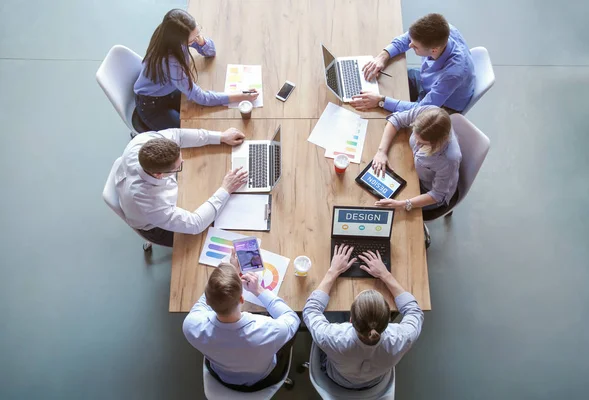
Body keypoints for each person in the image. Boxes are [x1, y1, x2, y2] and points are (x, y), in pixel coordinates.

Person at [303, 245, 424, 390]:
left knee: (329, 312)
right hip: (376, 382)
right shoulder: (403, 337)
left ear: (350, 320)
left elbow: (310, 310)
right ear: (388, 321)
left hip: (337, 378)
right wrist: (385, 275)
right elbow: (414, 311)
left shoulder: (331, 337)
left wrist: (333, 271)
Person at [183, 250, 300, 392]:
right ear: (242, 299)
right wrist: (258, 290)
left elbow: (206, 299)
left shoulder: (191, 325)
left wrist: (224, 276)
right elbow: (292, 318)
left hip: (222, 375)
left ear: (208, 301)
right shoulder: (268, 329)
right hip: (262, 379)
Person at [115, 127, 248, 247]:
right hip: (155, 227)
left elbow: (179, 135)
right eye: (179, 167)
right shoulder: (151, 202)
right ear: (159, 174)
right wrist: (225, 189)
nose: (183, 161)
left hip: (158, 197)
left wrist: (220, 136)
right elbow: (196, 224)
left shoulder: (144, 141)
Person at [134, 9, 258, 131]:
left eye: (198, 32)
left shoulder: (171, 35)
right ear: (180, 40)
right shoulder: (172, 62)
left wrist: (200, 40)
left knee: (203, 112)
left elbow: (211, 52)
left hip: (168, 90)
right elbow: (201, 97)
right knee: (188, 131)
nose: (196, 39)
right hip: (152, 106)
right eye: (192, 40)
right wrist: (240, 96)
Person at [351, 13, 475, 114]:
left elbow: (422, 109)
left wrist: (381, 101)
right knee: (390, 79)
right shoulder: (443, 29)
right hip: (428, 82)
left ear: (434, 50)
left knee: (392, 118)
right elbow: (406, 40)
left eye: (415, 47)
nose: (409, 45)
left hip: (444, 104)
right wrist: (383, 57)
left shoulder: (453, 74)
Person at [373, 105, 461, 220]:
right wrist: (381, 152)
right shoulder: (429, 113)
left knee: (389, 214)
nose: (417, 145)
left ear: (438, 142)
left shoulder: (449, 160)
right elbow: (397, 119)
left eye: (424, 144)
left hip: (427, 190)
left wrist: (403, 204)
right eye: (415, 136)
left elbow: (437, 195)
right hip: (413, 171)